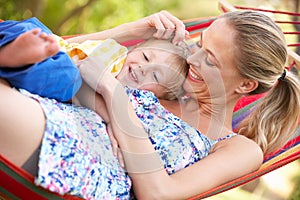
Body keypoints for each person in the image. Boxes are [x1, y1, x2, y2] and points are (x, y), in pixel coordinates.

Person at [0, 10, 299, 200]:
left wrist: (113, 95)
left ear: (245, 86)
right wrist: (130, 31)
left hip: (76, 154)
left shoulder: (239, 149)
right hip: (57, 107)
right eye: (200, 44)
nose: (192, 60)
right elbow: (73, 54)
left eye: (210, 59)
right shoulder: (171, 83)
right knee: (23, 34)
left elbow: (159, 193)